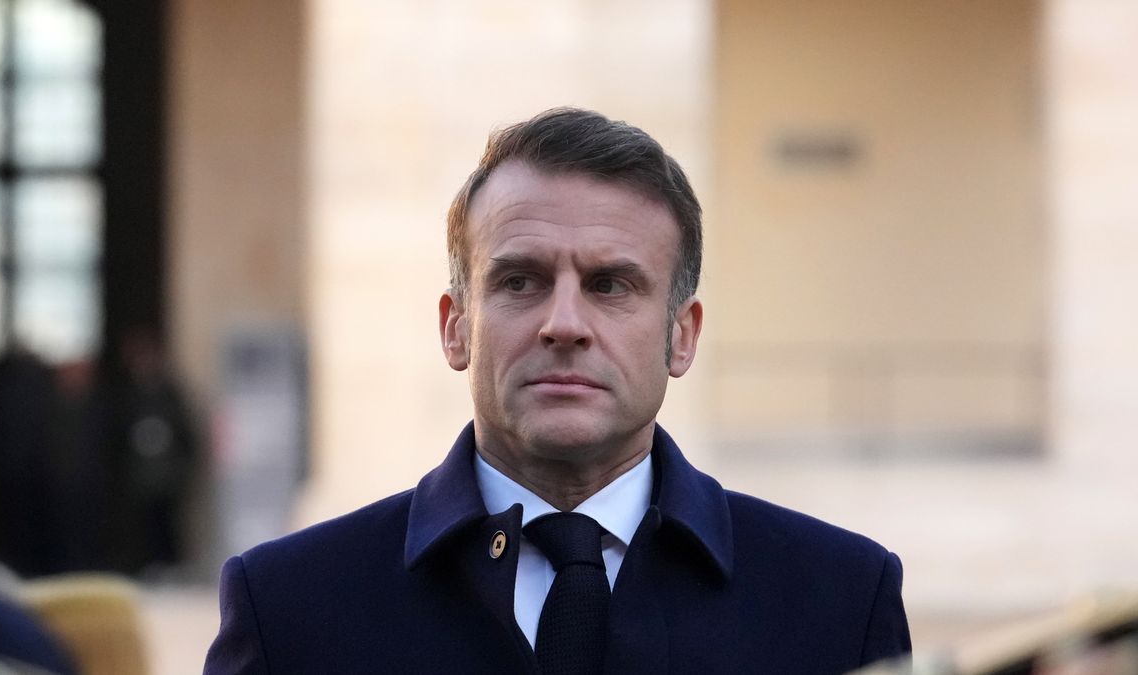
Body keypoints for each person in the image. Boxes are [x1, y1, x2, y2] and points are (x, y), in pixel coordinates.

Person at [204, 108, 911, 674]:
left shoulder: (841, 601)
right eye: (520, 281)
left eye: (610, 285)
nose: (564, 324)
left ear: (681, 336)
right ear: (456, 328)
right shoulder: (289, 608)